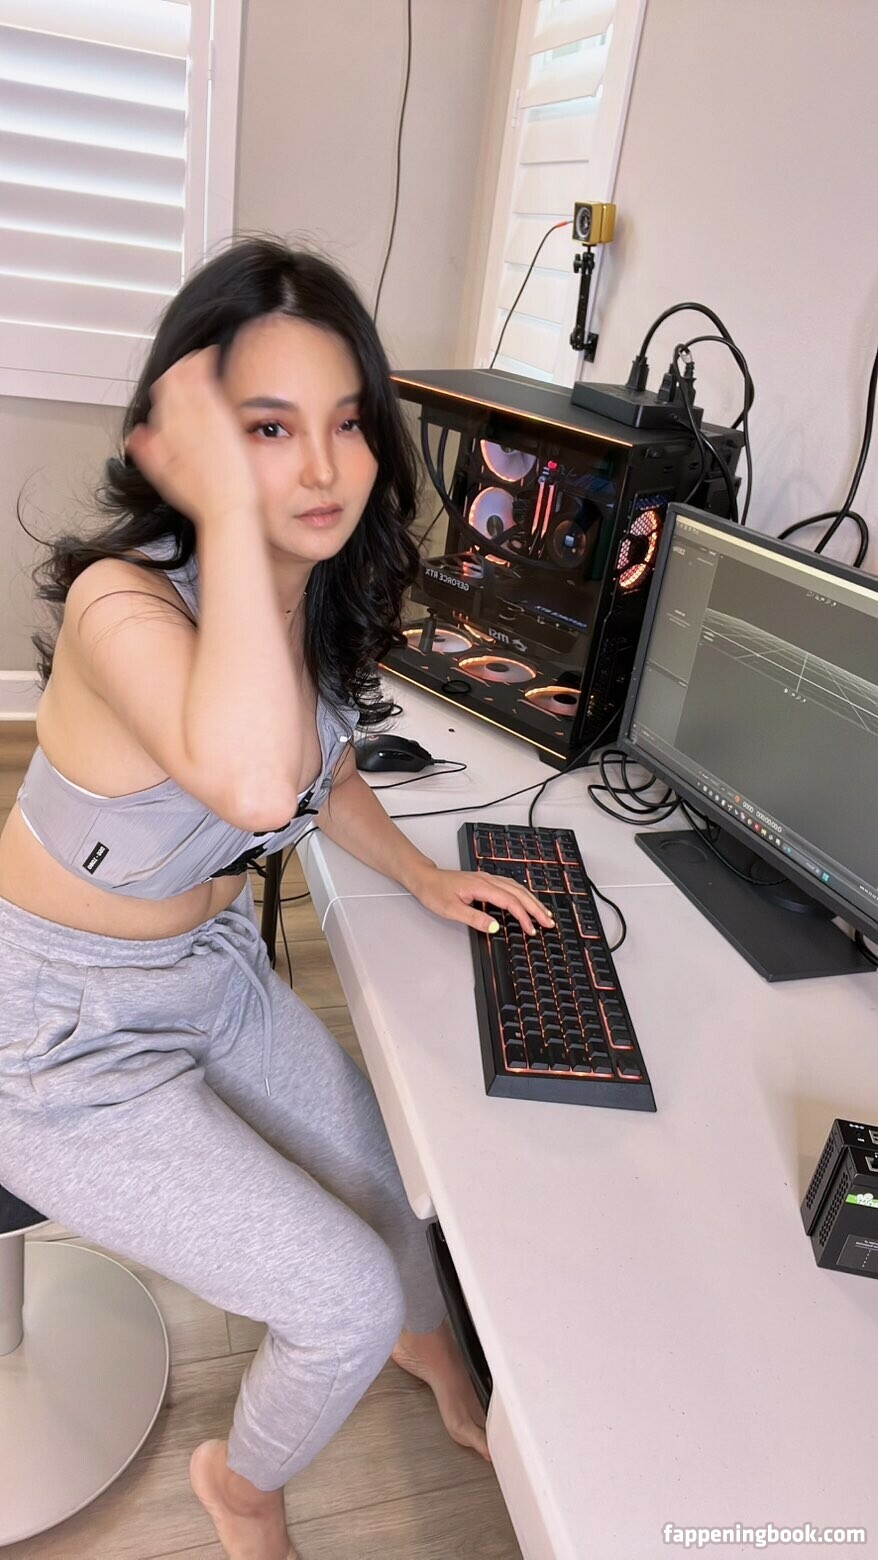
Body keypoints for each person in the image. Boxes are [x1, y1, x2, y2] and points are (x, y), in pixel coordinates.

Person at [0, 237, 553, 1560]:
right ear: (183, 441)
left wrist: (423, 874)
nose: (321, 469)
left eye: (347, 424)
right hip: (54, 1036)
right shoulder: (122, 604)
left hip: (212, 977)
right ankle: (241, 1487)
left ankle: (436, 1357)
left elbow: (323, 765)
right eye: (266, 427)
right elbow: (256, 782)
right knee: (339, 1298)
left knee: (391, 1183)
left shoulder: (306, 595)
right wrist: (227, 519)